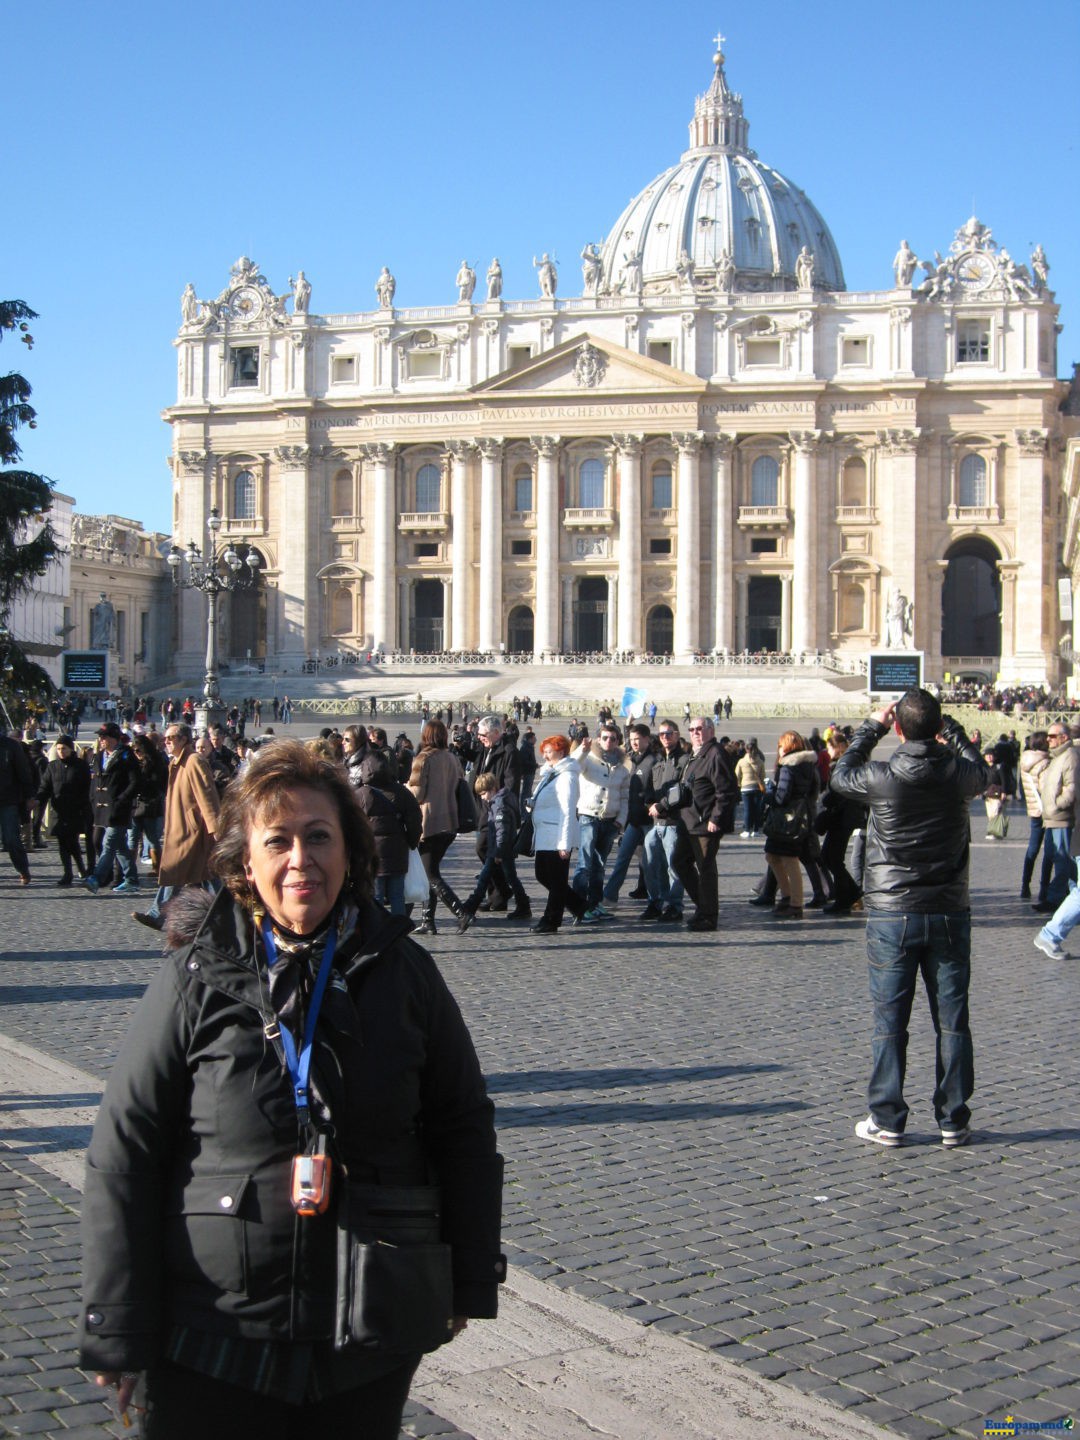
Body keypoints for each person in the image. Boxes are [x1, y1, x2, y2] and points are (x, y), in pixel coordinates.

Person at [80, 739, 504, 1436]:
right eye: (277, 841)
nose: (300, 859)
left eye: (319, 837)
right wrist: (116, 1324)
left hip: (364, 1334)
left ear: (351, 854)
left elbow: (461, 1125)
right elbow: (126, 1150)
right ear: (246, 862)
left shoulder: (407, 974)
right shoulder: (195, 980)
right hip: (211, 1335)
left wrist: (470, 1277)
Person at [830, 689, 988, 1148]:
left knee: (889, 1022)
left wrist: (871, 728)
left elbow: (840, 774)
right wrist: (954, 732)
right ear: (938, 728)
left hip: (891, 914)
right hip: (948, 911)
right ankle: (953, 1119)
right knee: (953, 1021)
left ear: (898, 727)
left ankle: (887, 1118)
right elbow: (985, 771)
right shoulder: (960, 775)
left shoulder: (881, 777)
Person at [132, 722, 220, 932]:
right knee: (206, 879)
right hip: (183, 830)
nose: (166, 742)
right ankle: (225, 917)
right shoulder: (177, 762)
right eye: (165, 738)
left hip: (193, 832)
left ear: (183, 739)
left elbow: (207, 796)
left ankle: (157, 914)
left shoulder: (194, 761)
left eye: (171, 738)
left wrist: (216, 828)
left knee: (175, 871)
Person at [672, 717, 738, 932]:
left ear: (710, 730)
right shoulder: (697, 753)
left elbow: (726, 791)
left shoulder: (716, 753)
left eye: (700, 728)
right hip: (690, 822)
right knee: (679, 862)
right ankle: (703, 906)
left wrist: (716, 819)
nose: (695, 732)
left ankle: (709, 916)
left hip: (705, 823)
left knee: (706, 869)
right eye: (691, 729)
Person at [408, 720, 469, 934]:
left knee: (430, 874)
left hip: (430, 821)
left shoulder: (423, 758)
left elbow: (417, 794)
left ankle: (462, 913)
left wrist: (403, 788)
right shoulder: (452, 758)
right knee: (430, 871)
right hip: (450, 820)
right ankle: (428, 921)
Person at [528, 733, 591, 934]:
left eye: (548, 751)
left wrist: (564, 844)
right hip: (545, 833)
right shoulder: (551, 774)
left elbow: (567, 809)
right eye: (544, 752)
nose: (545, 756)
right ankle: (579, 906)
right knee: (542, 875)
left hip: (557, 835)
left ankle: (551, 920)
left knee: (556, 881)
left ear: (560, 751)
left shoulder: (568, 776)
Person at [571, 723, 630, 918]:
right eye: (605, 737)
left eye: (613, 738)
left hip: (610, 820)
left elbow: (624, 795)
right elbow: (572, 766)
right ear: (598, 739)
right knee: (584, 863)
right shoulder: (589, 758)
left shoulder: (623, 766)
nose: (609, 742)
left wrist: (621, 820)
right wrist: (582, 749)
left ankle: (595, 904)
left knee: (599, 865)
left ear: (618, 741)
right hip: (589, 816)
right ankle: (578, 906)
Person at [353, 751, 421, 916]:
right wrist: (412, 842)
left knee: (375, 897)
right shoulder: (401, 792)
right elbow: (415, 820)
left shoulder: (361, 795)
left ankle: (377, 931)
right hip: (397, 852)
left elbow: (352, 825)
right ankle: (398, 933)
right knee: (397, 896)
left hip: (371, 854)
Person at [762, 732, 819, 921]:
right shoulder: (809, 765)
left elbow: (781, 797)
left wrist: (768, 794)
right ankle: (788, 897)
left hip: (786, 820)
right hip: (800, 817)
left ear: (786, 746)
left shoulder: (788, 767)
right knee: (776, 856)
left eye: (780, 745)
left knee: (788, 859)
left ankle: (794, 902)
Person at [598, 722, 654, 913]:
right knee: (622, 858)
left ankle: (657, 900)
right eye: (632, 740)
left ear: (647, 738)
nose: (635, 743)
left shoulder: (653, 761)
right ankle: (610, 896)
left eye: (638, 739)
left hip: (649, 821)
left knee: (650, 863)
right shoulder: (632, 760)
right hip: (634, 820)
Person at [83, 723, 140, 896]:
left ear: (114, 738)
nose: (101, 740)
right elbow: (95, 782)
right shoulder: (99, 756)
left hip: (118, 809)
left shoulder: (126, 755)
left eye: (104, 737)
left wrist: (123, 799)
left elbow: (135, 781)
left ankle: (97, 878)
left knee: (108, 844)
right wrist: (93, 799)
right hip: (101, 808)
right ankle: (131, 879)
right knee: (120, 847)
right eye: (100, 737)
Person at [643, 720, 689, 923]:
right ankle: (656, 901)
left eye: (669, 733)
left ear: (677, 735)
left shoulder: (685, 760)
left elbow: (681, 791)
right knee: (651, 865)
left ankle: (674, 905)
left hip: (674, 822)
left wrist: (660, 806)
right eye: (662, 734)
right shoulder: (658, 761)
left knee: (673, 866)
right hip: (656, 824)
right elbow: (651, 791)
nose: (665, 737)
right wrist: (649, 803)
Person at [37, 734, 91, 885]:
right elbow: (45, 786)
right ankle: (67, 872)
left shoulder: (81, 765)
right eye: (59, 749)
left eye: (64, 749)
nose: (61, 752)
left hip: (75, 810)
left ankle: (81, 869)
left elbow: (86, 787)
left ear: (70, 749)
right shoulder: (53, 766)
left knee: (72, 841)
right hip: (59, 811)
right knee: (62, 842)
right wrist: (38, 799)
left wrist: (83, 805)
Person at [1037, 722, 1078, 909]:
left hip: (1061, 818)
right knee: (1055, 856)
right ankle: (1067, 898)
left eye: (1052, 736)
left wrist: (1056, 806)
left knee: (1063, 860)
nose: (1048, 739)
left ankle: (1056, 899)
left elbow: (1071, 788)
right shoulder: (1057, 756)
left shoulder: (1070, 756)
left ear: (1064, 737)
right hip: (1051, 818)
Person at [1020, 731, 1053, 906]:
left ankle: (1025, 885)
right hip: (1046, 811)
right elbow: (1046, 788)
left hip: (1034, 810)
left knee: (1032, 849)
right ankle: (1044, 889)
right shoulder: (1045, 763)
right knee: (1048, 851)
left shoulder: (1025, 760)